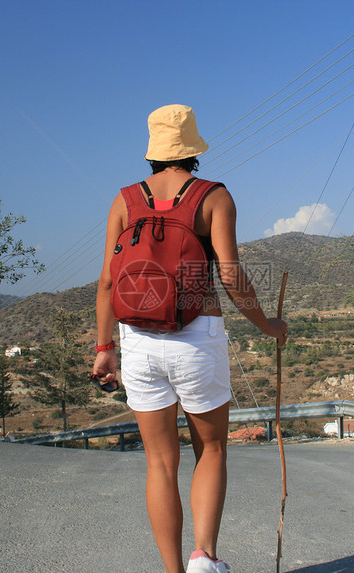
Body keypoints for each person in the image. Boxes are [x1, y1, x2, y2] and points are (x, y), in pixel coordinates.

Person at [93, 104, 288, 573]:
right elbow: (231, 274)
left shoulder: (124, 200)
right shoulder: (213, 196)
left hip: (136, 340)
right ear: (194, 148)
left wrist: (104, 349)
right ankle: (205, 556)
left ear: (153, 152)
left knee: (160, 464)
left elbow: (105, 281)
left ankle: (173, 570)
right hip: (197, 335)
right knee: (212, 448)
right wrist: (269, 326)